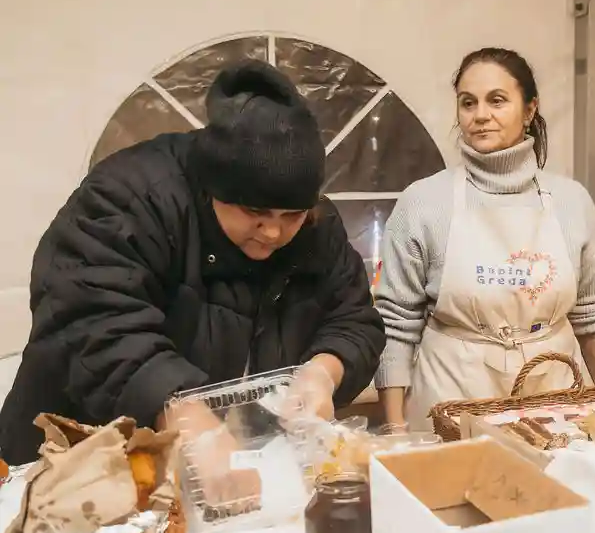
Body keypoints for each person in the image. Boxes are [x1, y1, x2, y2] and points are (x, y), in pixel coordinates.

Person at [0, 59, 386, 467]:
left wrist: (325, 370)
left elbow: (354, 319)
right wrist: (180, 409)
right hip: (72, 462)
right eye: (254, 212)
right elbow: (91, 322)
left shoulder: (316, 227)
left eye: (291, 215)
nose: (273, 232)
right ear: (213, 189)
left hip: (223, 465)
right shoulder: (130, 199)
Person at [374, 47, 595, 431]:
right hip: (452, 394)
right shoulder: (423, 203)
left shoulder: (571, 202)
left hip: (556, 393)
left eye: (497, 100)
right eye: (468, 103)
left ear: (530, 109)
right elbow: (396, 324)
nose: (480, 115)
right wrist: (394, 431)